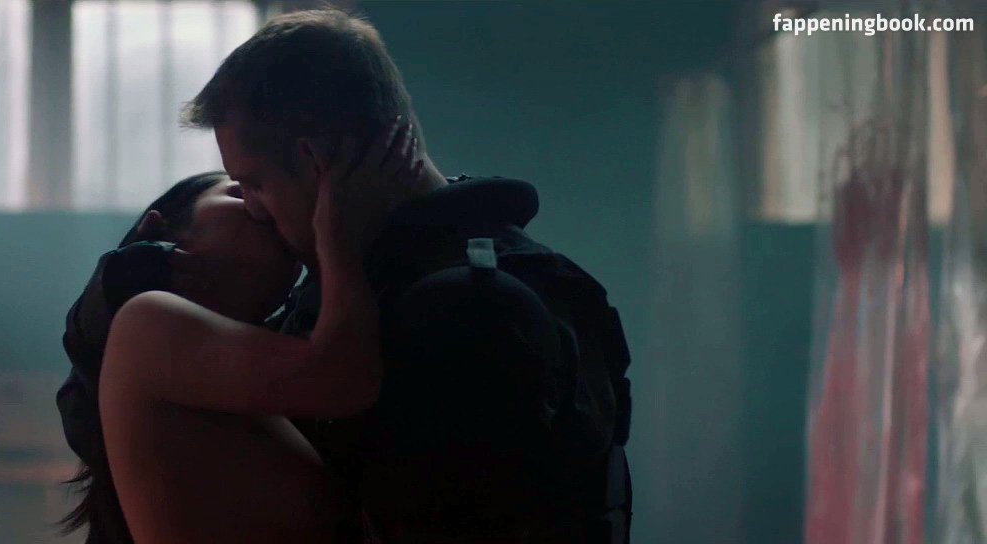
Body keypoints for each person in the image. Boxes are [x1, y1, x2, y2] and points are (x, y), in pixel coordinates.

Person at [179, 9, 634, 543]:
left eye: (255, 184)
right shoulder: (514, 271)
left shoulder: (457, 312)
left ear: (315, 161)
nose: (253, 210)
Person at [56, 124, 424, 543]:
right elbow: (346, 379)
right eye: (240, 191)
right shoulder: (144, 322)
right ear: (163, 231)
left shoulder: (270, 366)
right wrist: (339, 239)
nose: (263, 207)